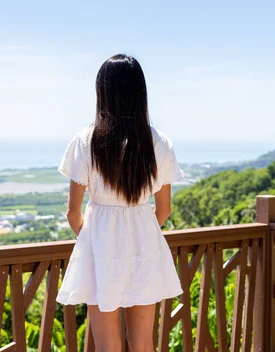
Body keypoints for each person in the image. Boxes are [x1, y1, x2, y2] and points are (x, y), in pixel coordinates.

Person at [56, 54, 184, 351]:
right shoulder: (159, 143)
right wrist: (138, 234)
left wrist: (94, 241)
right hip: (143, 242)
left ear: (102, 92)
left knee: (106, 346)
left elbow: (73, 212)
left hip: (100, 245)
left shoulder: (86, 141)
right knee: (143, 344)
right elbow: (164, 210)